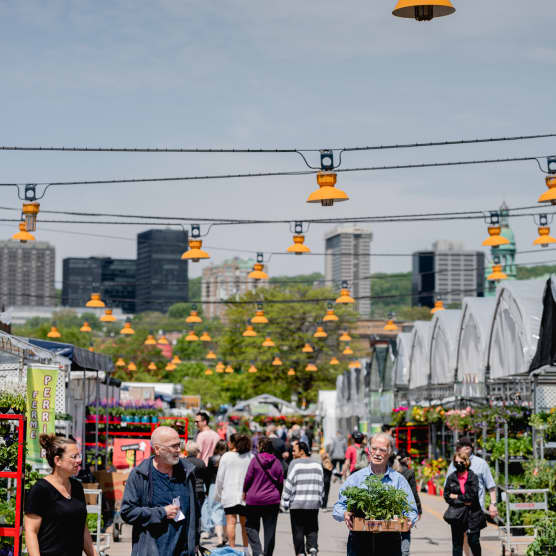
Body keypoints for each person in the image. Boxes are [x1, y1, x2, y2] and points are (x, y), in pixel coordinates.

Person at [333, 432, 418, 556]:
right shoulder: (356, 478)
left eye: (382, 450)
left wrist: (409, 519)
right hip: (359, 543)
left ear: (389, 453)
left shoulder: (398, 480)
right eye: (374, 449)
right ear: (368, 450)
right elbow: (338, 507)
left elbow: (411, 510)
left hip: (389, 543)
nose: (377, 453)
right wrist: (345, 513)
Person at [120, 426, 199, 556]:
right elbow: (127, 512)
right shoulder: (140, 475)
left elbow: (195, 511)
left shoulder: (187, 472)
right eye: (173, 446)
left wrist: (194, 543)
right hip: (150, 550)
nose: (178, 450)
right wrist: (161, 512)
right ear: (157, 449)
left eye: (179, 445)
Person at [24, 434, 97, 556]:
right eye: (74, 457)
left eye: (79, 456)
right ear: (57, 460)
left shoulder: (77, 487)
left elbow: (82, 528)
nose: (79, 460)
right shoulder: (40, 490)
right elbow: (31, 531)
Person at [281, 440, 324, 556]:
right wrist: (320, 499)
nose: (292, 453)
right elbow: (321, 484)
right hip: (313, 503)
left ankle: (300, 553)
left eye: (294, 451)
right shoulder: (317, 464)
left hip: (297, 503)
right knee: (312, 527)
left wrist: (285, 502)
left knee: (298, 530)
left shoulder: (295, 464)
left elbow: (289, 484)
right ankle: (313, 548)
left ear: (302, 451)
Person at [243, 437, 284, 556]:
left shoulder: (255, 461)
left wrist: (244, 490)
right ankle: (267, 554)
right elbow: (281, 481)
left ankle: (257, 552)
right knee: (270, 530)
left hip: (254, 499)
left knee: (251, 527)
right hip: (272, 500)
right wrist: (279, 495)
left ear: (260, 447)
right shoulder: (276, 462)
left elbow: (248, 479)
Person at [444, 452, 486, 556]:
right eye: (456, 462)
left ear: (466, 462)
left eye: (461, 462)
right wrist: (463, 501)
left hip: (473, 514)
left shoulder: (473, 477)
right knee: (457, 544)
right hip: (457, 515)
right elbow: (447, 495)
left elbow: (472, 496)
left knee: (473, 541)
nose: (458, 464)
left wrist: (457, 496)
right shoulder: (451, 477)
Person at [214, 433, 252, 548]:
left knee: (231, 522)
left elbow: (220, 478)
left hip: (229, 494)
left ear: (233, 443)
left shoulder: (226, 457)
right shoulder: (250, 456)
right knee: (245, 525)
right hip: (246, 495)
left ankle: (232, 549)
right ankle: (246, 549)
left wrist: (218, 495)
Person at [445, 437, 497, 520]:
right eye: (458, 447)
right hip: (457, 511)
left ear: (469, 448)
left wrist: (493, 504)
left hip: (475, 511)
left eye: (459, 447)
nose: (457, 449)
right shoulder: (453, 464)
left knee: (473, 533)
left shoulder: (481, 463)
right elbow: (447, 488)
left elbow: (491, 486)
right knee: (458, 533)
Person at [393, 450, 422, 556]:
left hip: (391, 507)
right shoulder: (409, 472)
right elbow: (413, 492)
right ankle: (404, 553)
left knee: (392, 531)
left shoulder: (391, 470)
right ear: (406, 460)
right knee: (405, 531)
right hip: (405, 507)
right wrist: (418, 509)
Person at [202, 439, 228, 547]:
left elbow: (207, 476)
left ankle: (219, 537)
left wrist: (207, 490)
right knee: (225, 511)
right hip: (226, 486)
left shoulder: (212, 459)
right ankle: (225, 534)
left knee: (214, 510)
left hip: (213, 486)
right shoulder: (228, 458)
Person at [184, 440, 208, 507]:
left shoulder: (184, 462)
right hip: (199, 489)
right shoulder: (201, 462)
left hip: (187, 490)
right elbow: (206, 477)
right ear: (196, 451)